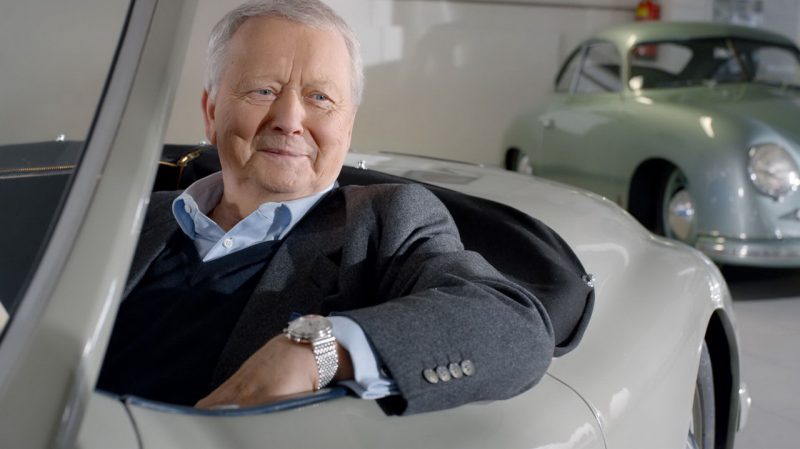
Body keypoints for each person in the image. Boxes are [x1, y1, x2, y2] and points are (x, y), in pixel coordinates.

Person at [97, 0, 555, 415]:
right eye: (262, 90)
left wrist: (317, 349)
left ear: (348, 127)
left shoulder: (383, 225)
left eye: (319, 97)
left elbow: (515, 328)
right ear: (211, 112)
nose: (289, 120)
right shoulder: (131, 215)